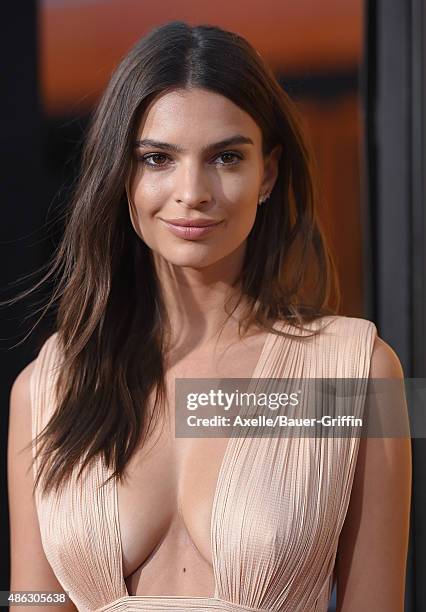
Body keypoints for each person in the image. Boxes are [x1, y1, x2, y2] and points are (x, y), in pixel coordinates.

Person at [8, 21, 411, 612]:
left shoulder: (356, 379)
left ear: (267, 173)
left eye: (225, 157)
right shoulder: (49, 387)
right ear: (123, 176)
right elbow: (31, 602)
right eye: (158, 158)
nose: (192, 190)